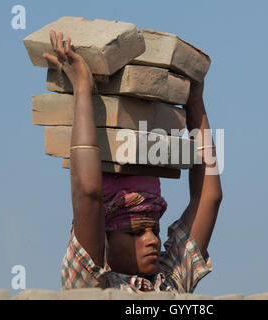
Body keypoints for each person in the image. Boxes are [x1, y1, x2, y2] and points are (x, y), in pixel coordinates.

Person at [43, 30, 223, 294]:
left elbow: (209, 197)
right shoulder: (91, 286)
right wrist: (82, 89)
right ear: (105, 237)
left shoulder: (170, 284)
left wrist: (195, 102)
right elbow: (89, 194)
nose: (152, 241)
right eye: (135, 233)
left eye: (155, 230)